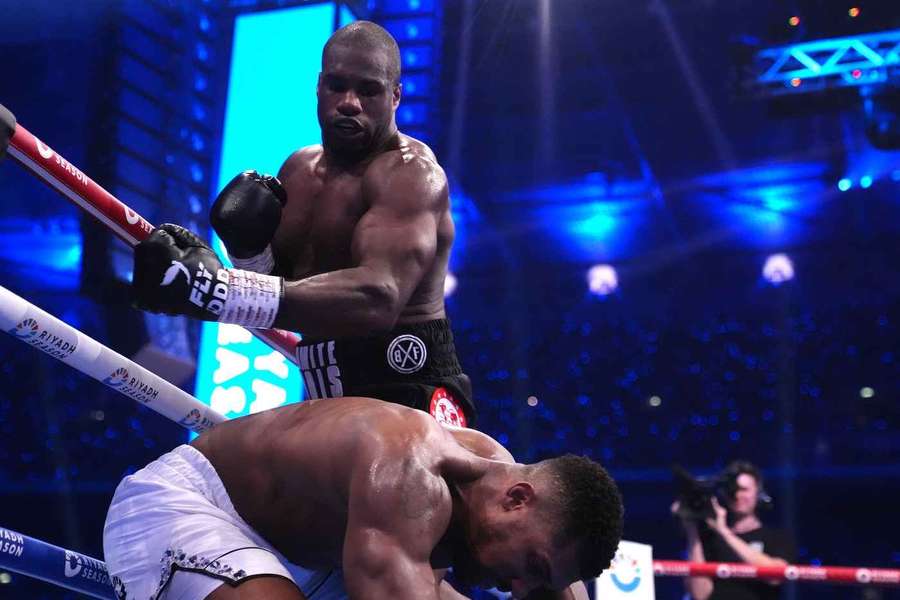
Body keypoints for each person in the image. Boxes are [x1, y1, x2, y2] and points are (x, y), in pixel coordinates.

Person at [130, 21, 474, 427]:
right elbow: (283, 291)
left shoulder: (410, 175)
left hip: (409, 392)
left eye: (369, 90)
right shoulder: (298, 170)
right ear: (318, 87)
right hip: (324, 391)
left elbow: (378, 298)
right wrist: (247, 253)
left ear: (395, 96)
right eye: (337, 85)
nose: (349, 102)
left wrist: (218, 291)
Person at [103, 396, 624, 600]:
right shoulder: (407, 474)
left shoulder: (499, 481)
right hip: (194, 506)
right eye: (531, 566)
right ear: (517, 499)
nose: (518, 587)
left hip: (311, 557)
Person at [673, 461, 797, 600]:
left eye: (744, 489)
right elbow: (700, 595)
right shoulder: (710, 539)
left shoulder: (776, 536)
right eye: (733, 490)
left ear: (759, 493)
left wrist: (725, 532)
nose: (738, 495)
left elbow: (775, 576)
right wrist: (693, 531)